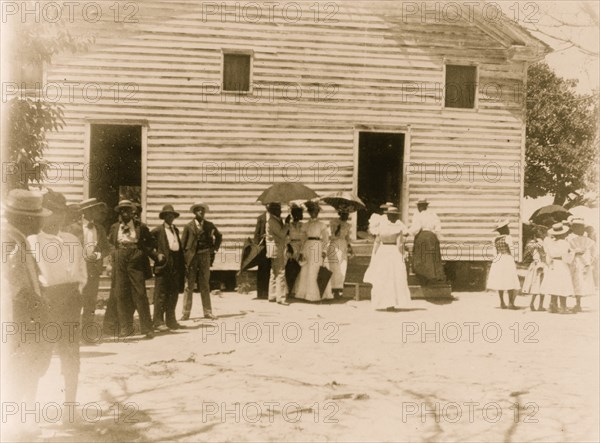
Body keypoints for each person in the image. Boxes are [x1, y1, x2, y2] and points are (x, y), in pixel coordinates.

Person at [27, 190, 87, 416]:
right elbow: (34, 278)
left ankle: (69, 409)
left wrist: (76, 293)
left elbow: (82, 273)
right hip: (46, 304)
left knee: (71, 357)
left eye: (62, 212)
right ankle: (30, 412)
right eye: (53, 212)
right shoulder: (33, 240)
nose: (58, 217)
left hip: (70, 303)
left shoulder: (72, 239)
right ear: (43, 214)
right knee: (39, 358)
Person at [1, 190, 52, 436]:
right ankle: (15, 426)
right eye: (38, 216)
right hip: (18, 316)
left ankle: (20, 422)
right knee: (21, 367)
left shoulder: (17, 239)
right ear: (25, 218)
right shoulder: (10, 241)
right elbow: (15, 286)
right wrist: (41, 308)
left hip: (20, 314)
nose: (41, 221)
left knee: (25, 367)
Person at [108, 200, 161, 338]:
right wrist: (112, 258)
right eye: (122, 210)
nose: (125, 212)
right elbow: (110, 244)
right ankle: (125, 328)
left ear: (133, 212)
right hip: (119, 257)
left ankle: (147, 328)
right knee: (121, 294)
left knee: (140, 293)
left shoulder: (141, 227)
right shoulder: (114, 227)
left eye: (127, 210)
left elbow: (150, 242)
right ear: (119, 213)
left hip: (135, 258)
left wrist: (149, 253)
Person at [64, 197, 111, 343]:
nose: (98, 212)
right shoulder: (72, 228)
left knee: (90, 303)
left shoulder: (100, 229)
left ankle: (87, 336)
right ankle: (71, 337)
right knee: (75, 302)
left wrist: (96, 255)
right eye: (95, 210)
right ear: (87, 212)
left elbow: (106, 249)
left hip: (93, 270)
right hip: (76, 272)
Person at [363, 206, 411, 310]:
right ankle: (391, 303)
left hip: (382, 251)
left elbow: (377, 242)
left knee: (383, 277)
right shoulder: (398, 228)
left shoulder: (381, 227)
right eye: (393, 216)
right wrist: (404, 254)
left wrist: (375, 255)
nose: (393, 217)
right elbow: (399, 245)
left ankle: (384, 301)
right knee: (393, 277)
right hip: (393, 251)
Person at [181, 202, 222, 320]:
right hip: (191, 258)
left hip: (205, 256)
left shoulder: (209, 225)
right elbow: (183, 244)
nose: (201, 212)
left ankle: (207, 312)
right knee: (189, 285)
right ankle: (185, 313)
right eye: (198, 210)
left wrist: (214, 249)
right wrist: (184, 260)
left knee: (204, 284)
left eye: (203, 210)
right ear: (194, 212)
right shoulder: (188, 226)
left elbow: (219, 236)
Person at [151, 205, 185, 330]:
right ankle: (158, 321)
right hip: (163, 265)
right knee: (161, 294)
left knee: (173, 294)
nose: (170, 217)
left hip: (175, 265)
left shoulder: (175, 230)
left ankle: (171, 320)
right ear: (164, 217)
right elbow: (148, 245)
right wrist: (156, 255)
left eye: (172, 215)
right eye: (167, 215)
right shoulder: (157, 231)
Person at [295, 201, 333, 301]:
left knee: (315, 268)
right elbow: (303, 240)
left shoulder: (322, 225)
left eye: (315, 211)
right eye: (311, 211)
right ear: (309, 212)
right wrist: (301, 252)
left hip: (317, 247)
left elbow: (326, 239)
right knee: (306, 269)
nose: (313, 213)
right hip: (308, 246)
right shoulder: (305, 225)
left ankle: (316, 294)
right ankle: (305, 293)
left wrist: (324, 250)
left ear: (318, 212)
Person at [540, 222, 575, 314]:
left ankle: (553, 305)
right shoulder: (565, 243)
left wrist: (549, 263)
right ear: (563, 233)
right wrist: (572, 253)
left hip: (553, 264)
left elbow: (548, 255)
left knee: (554, 285)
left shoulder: (550, 243)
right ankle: (563, 307)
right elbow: (567, 258)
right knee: (563, 284)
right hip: (561, 264)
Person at [486, 220, 521, 309]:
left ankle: (502, 303)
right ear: (504, 229)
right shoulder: (508, 238)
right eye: (507, 227)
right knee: (510, 280)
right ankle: (510, 303)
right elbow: (512, 250)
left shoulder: (495, 239)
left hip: (498, 259)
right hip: (507, 258)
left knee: (500, 281)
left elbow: (494, 252)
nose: (508, 229)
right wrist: (514, 259)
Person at [409, 199, 445, 284]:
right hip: (432, 237)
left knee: (422, 257)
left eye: (419, 206)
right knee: (431, 257)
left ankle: (424, 278)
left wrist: (408, 233)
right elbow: (438, 228)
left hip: (423, 236)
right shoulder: (433, 215)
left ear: (421, 206)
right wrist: (437, 238)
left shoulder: (418, 215)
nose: (418, 207)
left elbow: (416, 228)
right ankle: (432, 277)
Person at [567, 218, 596, 313]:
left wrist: (588, 262)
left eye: (580, 227)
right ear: (573, 228)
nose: (579, 229)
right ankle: (570, 303)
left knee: (580, 282)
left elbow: (593, 254)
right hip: (573, 262)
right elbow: (566, 250)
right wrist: (574, 252)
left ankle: (578, 303)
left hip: (582, 264)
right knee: (573, 282)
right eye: (576, 227)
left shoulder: (588, 241)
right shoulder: (569, 239)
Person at [265, 202, 290, 305]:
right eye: (278, 209)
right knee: (280, 272)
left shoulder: (275, 220)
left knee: (274, 272)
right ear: (273, 211)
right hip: (276, 249)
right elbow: (281, 234)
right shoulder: (272, 221)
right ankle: (281, 297)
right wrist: (287, 224)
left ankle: (273, 294)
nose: (280, 211)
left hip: (274, 249)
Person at [328, 209, 353, 298]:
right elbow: (332, 236)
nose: (346, 216)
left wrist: (350, 247)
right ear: (340, 214)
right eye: (344, 214)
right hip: (335, 245)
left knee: (343, 266)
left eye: (347, 214)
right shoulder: (334, 223)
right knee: (335, 266)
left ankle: (339, 288)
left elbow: (347, 237)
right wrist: (338, 227)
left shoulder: (348, 225)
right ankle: (333, 288)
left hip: (343, 245)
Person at [521, 226, 547, 311]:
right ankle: (539, 305)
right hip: (540, 264)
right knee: (540, 284)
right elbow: (538, 254)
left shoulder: (531, 243)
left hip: (536, 264)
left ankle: (533, 304)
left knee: (536, 285)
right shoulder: (539, 243)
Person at [286, 203, 306, 298]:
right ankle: (288, 289)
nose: (297, 216)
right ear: (292, 214)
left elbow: (305, 238)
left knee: (300, 268)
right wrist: (288, 245)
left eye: (299, 213)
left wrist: (302, 251)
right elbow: (285, 237)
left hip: (301, 247)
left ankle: (296, 290)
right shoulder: (288, 225)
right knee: (289, 268)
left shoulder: (303, 225)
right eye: (295, 214)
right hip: (290, 247)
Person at [253, 206, 271, 299]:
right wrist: (256, 246)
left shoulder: (276, 217)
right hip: (263, 247)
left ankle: (268, 292)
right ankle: (260, 292)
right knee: (262, 269)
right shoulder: (261, 218)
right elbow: (257, 233)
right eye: (267, 205)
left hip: (271, 246)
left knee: (270, 268)